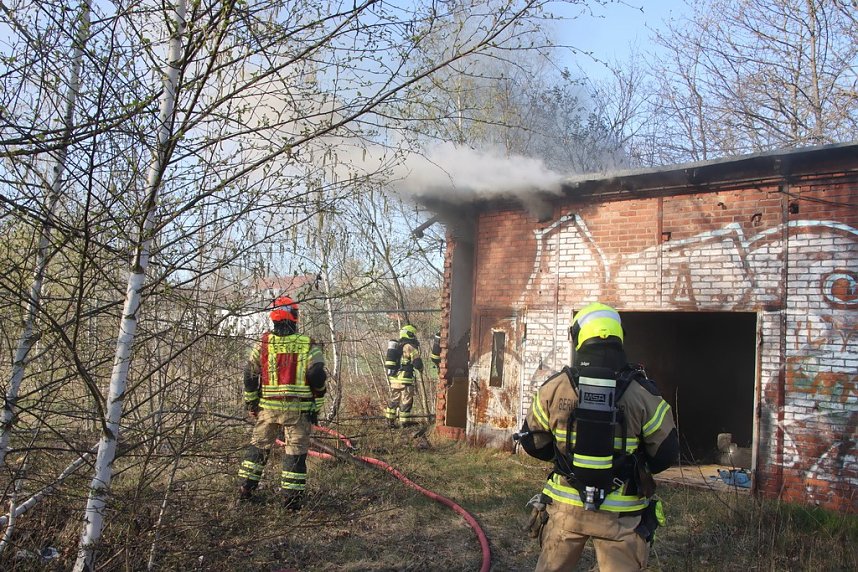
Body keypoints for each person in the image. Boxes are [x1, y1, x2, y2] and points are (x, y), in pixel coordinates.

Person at [518, 302, 679, 572]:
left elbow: (531, 441)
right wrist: (631, 466)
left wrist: (566, 461)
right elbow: (665, 452)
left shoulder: (556, 387)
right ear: (619, 337)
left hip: (566, 509)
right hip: (622, 516)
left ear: (579, 336)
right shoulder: (643, 392)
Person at [237, 296, 326, 509]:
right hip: (298, 409)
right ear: (294, 317)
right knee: (295, 452)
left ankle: (245, 491)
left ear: (274, 319)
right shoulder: (307, 344)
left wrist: (251, 403)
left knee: (258, 448)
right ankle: (291, 501)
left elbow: (250, 373)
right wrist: (317, 401)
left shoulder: (264, 344)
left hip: (267, 409)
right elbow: (316, 375)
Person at [383, 324, 424, 428]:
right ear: (410, 334)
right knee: (406, 400)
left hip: (394, 380)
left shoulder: (398, 346)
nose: (415, 337)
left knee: (393, 400)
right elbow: (417, 363)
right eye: (413, 334)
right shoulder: (409, 347)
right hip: (405, 380)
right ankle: (404, 423)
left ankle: (389, 422)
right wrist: (421, 369)